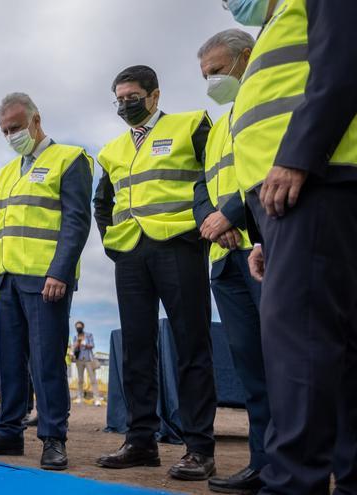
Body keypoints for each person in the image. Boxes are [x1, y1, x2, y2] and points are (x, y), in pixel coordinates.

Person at [227, 1, 357, 492]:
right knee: (336, 350)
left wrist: (301, 154)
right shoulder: (276, 19)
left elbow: (343, 60)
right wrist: (261, 235)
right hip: (291, 199)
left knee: (298, 348)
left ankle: (291, 483)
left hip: (313, 183)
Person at [93, 65, 217, 480]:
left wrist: (203, 227)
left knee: (190, 346)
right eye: (120, 98)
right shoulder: (111, 149)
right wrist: (113, 242)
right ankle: (141, 440)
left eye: (132, 96)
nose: (125, 104)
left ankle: (199, 447)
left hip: (178, 245)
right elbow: (102, 202)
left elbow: (211, 176)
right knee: (136, 349)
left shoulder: (190, 125)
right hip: (130, 254)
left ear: (155, 95)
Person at [0, 93, 92, 471]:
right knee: (8, 359)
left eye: (16, 127)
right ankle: (8, 431)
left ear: (37, 121)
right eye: (5, 130)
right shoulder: (6, 172)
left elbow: (76, 221)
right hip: (5, 279)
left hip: (45, 279)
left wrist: (60, 271)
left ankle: (53, 437)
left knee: (46, 359)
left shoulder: (70, 159)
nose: (11, 135)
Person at [193, 28, 271, 494]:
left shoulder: (265, 100)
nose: (211, 83)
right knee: (252, 367)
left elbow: (271, 163)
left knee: (290, 362)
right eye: (205, 75)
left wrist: (233, 215)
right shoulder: (220, 124)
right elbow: (204, 183)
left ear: (246, 58)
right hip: (226, 260)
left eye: (218, 71)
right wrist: (212, 221)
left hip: (267, 246)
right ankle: (264, 462)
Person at [71, 321, 101, 407]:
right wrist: (77, 343)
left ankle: (97, 399)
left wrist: (84, 343)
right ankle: (80, 397)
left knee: (93, 379)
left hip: (88, 359)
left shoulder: (89, 335)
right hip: (79, 360)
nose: (78, 328)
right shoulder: (75, 337)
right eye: (77, 327)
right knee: (80, 380)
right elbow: (73, 347)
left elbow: (92, 345)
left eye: (80, 327)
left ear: (83, 327)